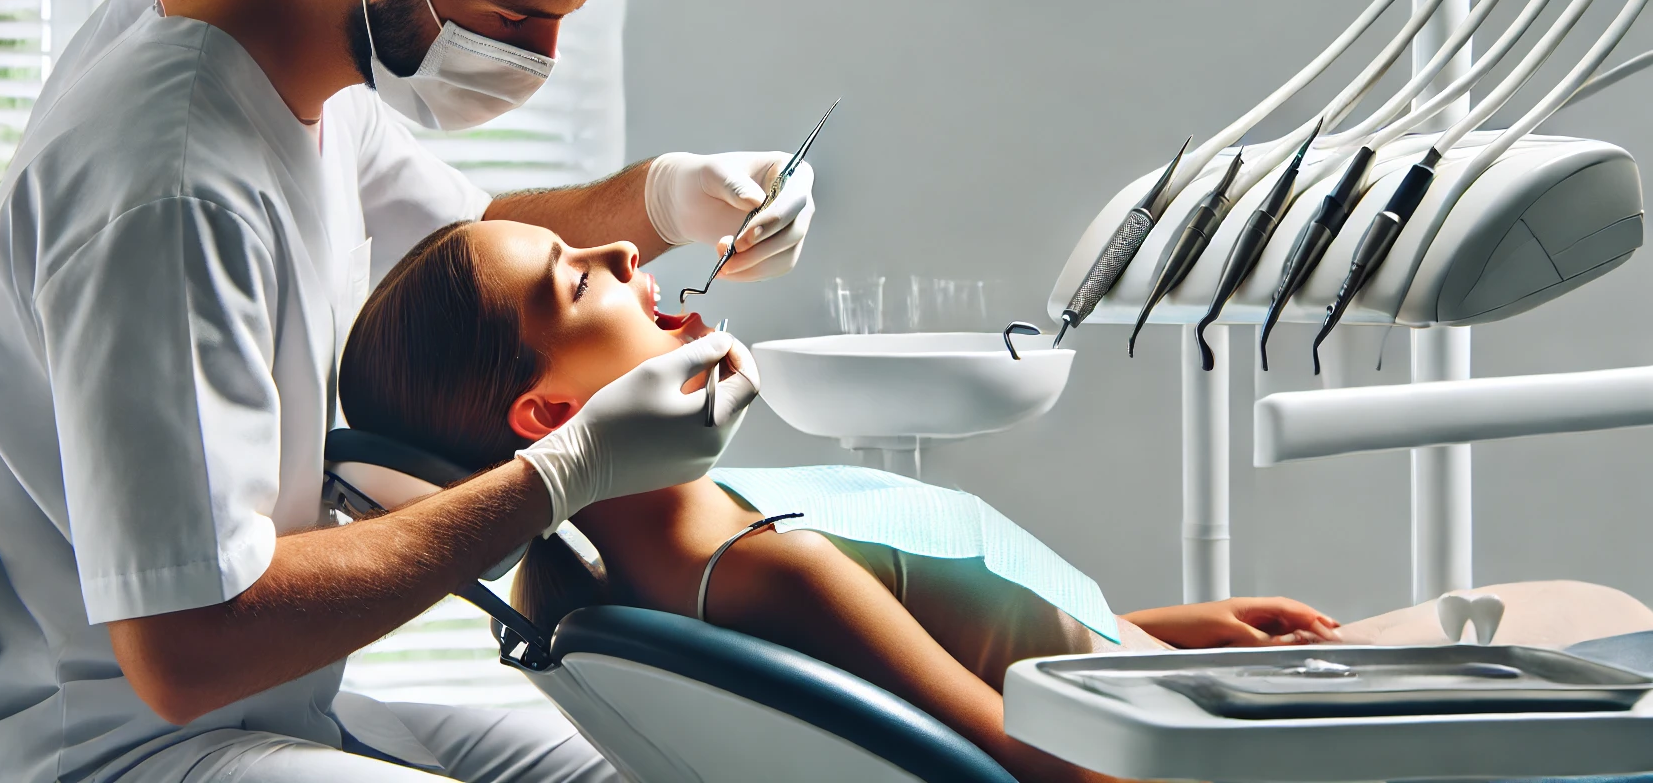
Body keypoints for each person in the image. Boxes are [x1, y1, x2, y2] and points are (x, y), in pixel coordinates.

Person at [0, 0, 812, 781]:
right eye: (521, 16)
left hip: (281, 707)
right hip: (119, 750)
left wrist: (667, 196)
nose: (546, 55)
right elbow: (185, 648)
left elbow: (477, 237)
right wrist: (563, 473)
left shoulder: (291, 55)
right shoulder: (169, 187)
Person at [338, 219, 1653, 783]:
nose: (627, 249)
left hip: (1157, 686)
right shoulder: (756, 569)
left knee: (1580, 623)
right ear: (554, 421)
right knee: (1602, 640)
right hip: (1186, 745)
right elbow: (1026, 756)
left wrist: (1160, 632)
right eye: (580, 283)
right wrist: (1282, 738)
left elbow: (951, 642)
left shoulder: (663, 557)